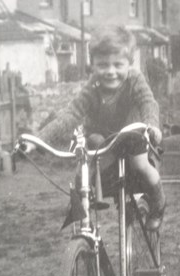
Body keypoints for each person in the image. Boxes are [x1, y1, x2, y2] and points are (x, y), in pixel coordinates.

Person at [39, 25, 166, 230]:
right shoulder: (93, 87)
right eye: (103, 65)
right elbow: (72, 113)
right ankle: (83, 224)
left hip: (131, 132)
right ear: (93, 65)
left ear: (130, 63)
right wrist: (41, 138)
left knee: (141, 165)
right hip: (102, 138)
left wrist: (152, 125)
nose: (110, 71)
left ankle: (159, 201)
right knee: (85, 167)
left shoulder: (134, 80)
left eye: (118, 64)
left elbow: (148, 102)